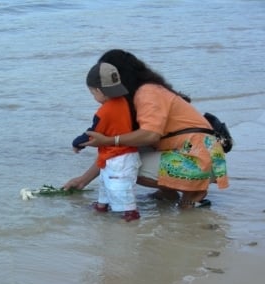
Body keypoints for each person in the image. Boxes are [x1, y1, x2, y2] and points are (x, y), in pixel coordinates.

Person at [64, 49, 229, 208]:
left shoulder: (147, 92)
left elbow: (150, 136)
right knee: (124, 155)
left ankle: (193, 195)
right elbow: (114, 151)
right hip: (199, 154)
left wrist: (109, 140)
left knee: (124, 165)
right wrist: (83, 180)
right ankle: (169, 194)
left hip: (198, 160)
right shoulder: (145, 92)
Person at [72, 62, 141, 221]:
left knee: (119, 187)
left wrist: (76, 143)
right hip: (116, 156)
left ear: (98, 91)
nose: (94, 97)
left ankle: (130, 213)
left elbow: (92, 134)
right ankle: (102, 205)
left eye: (92, 93)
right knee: (106, 182)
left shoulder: (104, 111)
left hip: (119, 157)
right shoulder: (124, 101)